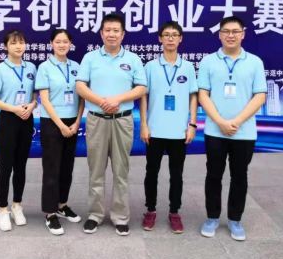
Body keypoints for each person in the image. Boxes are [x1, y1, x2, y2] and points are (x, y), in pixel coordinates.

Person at [76, 13, 147, 236]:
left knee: (120, 171)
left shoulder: (133, 59)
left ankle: (120, 217)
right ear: (101, 33)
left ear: (123, 34)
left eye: (116, 30)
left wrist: (117, 100)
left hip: (123, 120)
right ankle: (94, 215)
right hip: (97, 120)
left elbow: (141, 88)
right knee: (96, 170)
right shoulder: (90, 58)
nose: (111, 34)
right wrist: (102, 102)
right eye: (107, 30)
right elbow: (80, 86)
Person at [198, 16, 266, 241]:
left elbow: (260, 96)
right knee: (213, 175)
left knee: (239, 176)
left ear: (243, 34)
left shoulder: (254, 62)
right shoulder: (208, 61)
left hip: (244, 132)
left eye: (235, 31)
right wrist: (220, 121)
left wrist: (236, 121)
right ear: (219, 34)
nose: (230, 35)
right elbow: (203, 94)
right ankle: (212, 217)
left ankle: (235, 219)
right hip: (215, 130)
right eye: (226, 31)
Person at [139, 21, 198, 233]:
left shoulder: (188, 67)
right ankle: (150, 210)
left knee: (177, 174)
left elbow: (193, 96)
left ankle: (174, 212)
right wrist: (144, 124)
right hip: (155, 130)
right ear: (160, 39)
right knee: (151, 172)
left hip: (179, 131)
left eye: (174, 35)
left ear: (181, 38)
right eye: (166, 34)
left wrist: (192, 124)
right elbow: (143, 96)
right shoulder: (150, 67)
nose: (170, 38)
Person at [0, 30, 38, 232]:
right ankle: (3, 209)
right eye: (14, 43)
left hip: (26, 119)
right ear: (6, 46)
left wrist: (32, 105)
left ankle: (17, 206)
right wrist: (14, 109)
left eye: (21, 42)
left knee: (21, 166)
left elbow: (35, 93)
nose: (18, 46)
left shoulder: (31, 67)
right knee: (6, 167)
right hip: (8, 119)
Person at [35, 28, 85, 235]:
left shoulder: (77, 67)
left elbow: (82, 97)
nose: (62, 45)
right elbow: (45, 100)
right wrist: (61, 126)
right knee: (52, 168)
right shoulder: (44, 67)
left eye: (65, 41)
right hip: (52, 122)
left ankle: (62, 205)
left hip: (72, 122)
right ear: (51, 44)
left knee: (67, 167)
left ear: (70, 43)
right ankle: (50, 213)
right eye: (58, 41)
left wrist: (77, 121)